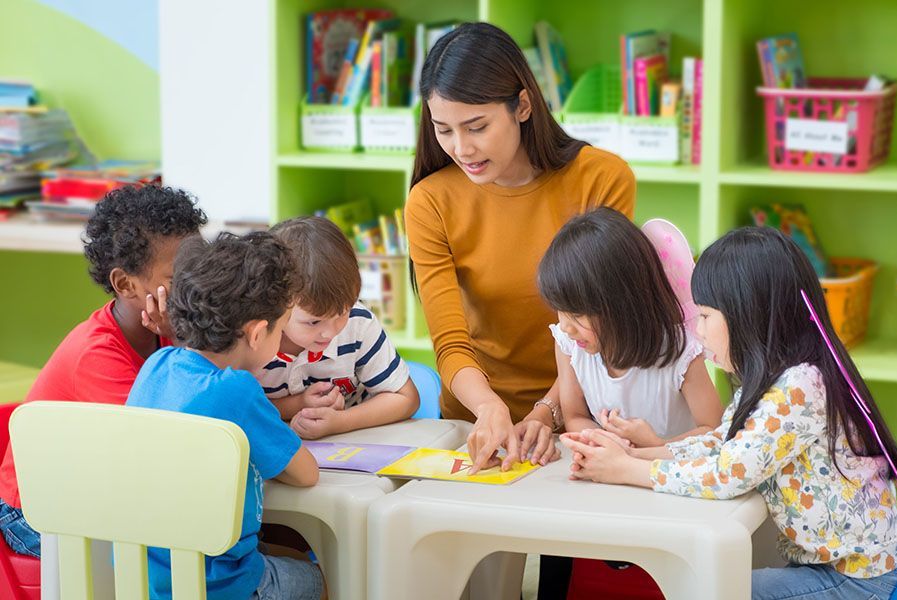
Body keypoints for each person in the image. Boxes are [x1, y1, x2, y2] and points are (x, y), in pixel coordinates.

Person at [561, 227, 897, 600]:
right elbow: (725, 443)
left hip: (859, 579)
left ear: (748, 314)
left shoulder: (800, 386)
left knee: (712, 591)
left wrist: (627, 470)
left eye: (705, 316)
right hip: (831, 568)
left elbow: (730, 473)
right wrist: (640, 453)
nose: (698, 330)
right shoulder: (773, 379)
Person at [405, 21, 636, 478]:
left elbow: (605, 325)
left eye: (476, 126)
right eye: (443, 130)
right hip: (474, 419)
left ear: (523, 106)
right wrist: (489, 407)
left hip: (585, 416)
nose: (461, 148)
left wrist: (547, 410)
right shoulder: (430, 201)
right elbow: (450, 344)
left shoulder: (602, 179)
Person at [0, 185, 206, 557]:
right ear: (125, 284)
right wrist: (179, 338)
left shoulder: (163, 332)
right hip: (32, 512)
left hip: (94, 490)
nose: (197, 288)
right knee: (167, 548)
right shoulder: (97, 353)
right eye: (178, 279)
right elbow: (168, 439)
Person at [127, 231, 324, 600]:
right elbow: (306, 474)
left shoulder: (157, 364)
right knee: (323, 579)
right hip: (218, 586)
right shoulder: (235, 390)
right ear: (256, 333)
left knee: (280, 555)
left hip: (149, 580)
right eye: (280, 330)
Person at [537, 208, 723, 447]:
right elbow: (575, 416)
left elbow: (714, 431)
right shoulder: (570, 346)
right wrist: (609, 441)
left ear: (623, 303)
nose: (565, 326)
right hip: (614, 476)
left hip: (667, 476)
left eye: (576, 314)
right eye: (560, 310)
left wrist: (653, 445)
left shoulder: (680, 353)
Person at [256, 216, 419, 439]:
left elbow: (405, 397)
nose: (331, 332)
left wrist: (341, 422)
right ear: (276, 303)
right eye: (313, 322)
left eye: (342, 313)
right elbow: (232, 409)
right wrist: (296, 405)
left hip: (352, 448)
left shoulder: (358, 323)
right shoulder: (254, 338)